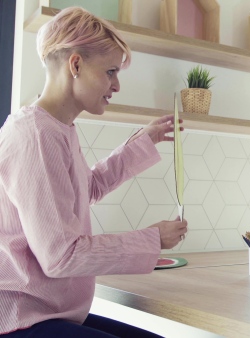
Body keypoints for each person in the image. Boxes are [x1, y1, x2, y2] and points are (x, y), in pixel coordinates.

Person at [0, 7, 188, 337]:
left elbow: (87, 188)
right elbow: (61, 256)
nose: (116, 85)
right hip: (23, 319)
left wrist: (140, 143)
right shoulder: (35, 135)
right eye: (111, 72)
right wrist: (152, 238)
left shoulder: (57, 129)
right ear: (75, 64)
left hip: (51, 313)